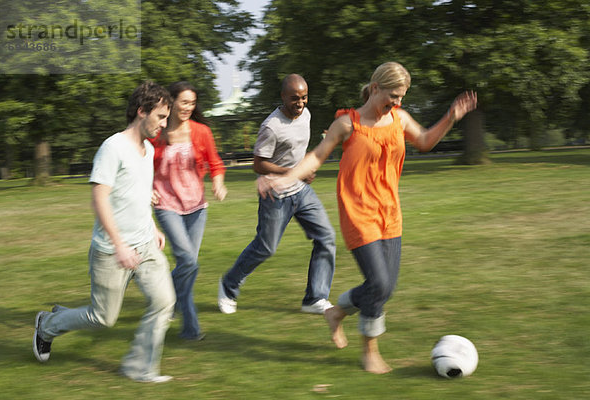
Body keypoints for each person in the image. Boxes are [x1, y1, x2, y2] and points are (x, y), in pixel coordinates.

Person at [258, 62, 477, 374]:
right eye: (393, 95)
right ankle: (369, 351)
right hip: (358, 211)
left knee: (385, 289)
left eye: (402, 96)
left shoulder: (399, 119)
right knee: (378, 282)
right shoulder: (348, 123)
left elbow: (426, 141)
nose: (398, 102)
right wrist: (285, 178)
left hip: (389, 211)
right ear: (375, 88)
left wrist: (451, 118)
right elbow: (317, 156)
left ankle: (337, 312)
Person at [33, 81, 177, 383]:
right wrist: (120, 245)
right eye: (161, 117)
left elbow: (138, 193)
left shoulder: (148, 149)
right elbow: (99, 198)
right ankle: (47, 324)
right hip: (112, 251)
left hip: (146, 245)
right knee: (103, 318)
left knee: (164, 301)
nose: (165, 124)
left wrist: (152, 226)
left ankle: (140, 367)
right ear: (142, 111)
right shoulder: (113, 148)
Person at [218, 74, 336, 315]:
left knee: (326, 237)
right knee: (265, 247)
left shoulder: (307, 114)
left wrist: (304, 168)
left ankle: (315, 298)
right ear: (283, 97)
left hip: (301, 192)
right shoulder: (271, 126)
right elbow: (258, 164)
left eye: (304, 97)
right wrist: (293, 172)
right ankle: (228, 285)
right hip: (275, 194)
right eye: (294, 98)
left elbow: (298, 150)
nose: (300, 103)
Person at [149, 81, 227, 341]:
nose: (188, 108)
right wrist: (146, 188)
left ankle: (167, 302)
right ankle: (190, 327)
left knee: (189, 267)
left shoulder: (201, 131)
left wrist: (218, 183)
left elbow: (215, 163)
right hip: (167, 205)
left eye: (192, 103)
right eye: (184, 102)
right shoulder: (156, 134)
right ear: (170, 102)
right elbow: (142, 164)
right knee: (189, 262)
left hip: (196, 206)